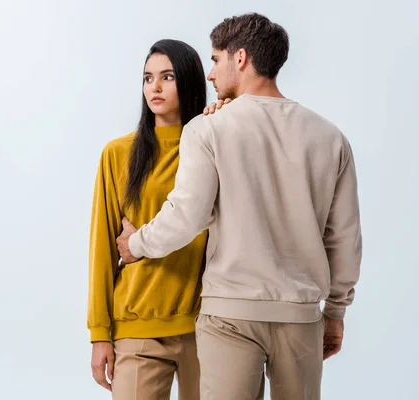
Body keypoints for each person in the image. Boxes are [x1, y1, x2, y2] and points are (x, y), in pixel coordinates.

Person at [116, 13, 362, 400]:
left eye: (215, 60)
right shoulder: (331, 137)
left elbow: (187, 215)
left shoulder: (207, 129)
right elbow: (344, 237)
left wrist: (136, 244)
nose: (210, 75)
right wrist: (336, 311)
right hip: (301, 316)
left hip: (230, 317)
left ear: (241, 58)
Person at [87, 38, 228, 399]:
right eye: (148, 78)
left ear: (190, 82)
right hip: (138, 325)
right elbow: (102, 248)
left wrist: (225, 118)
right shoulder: (118, 153)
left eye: (168, 77)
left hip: (207, 325)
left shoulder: (213, 145)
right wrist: (100, 333)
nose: (155, 87)